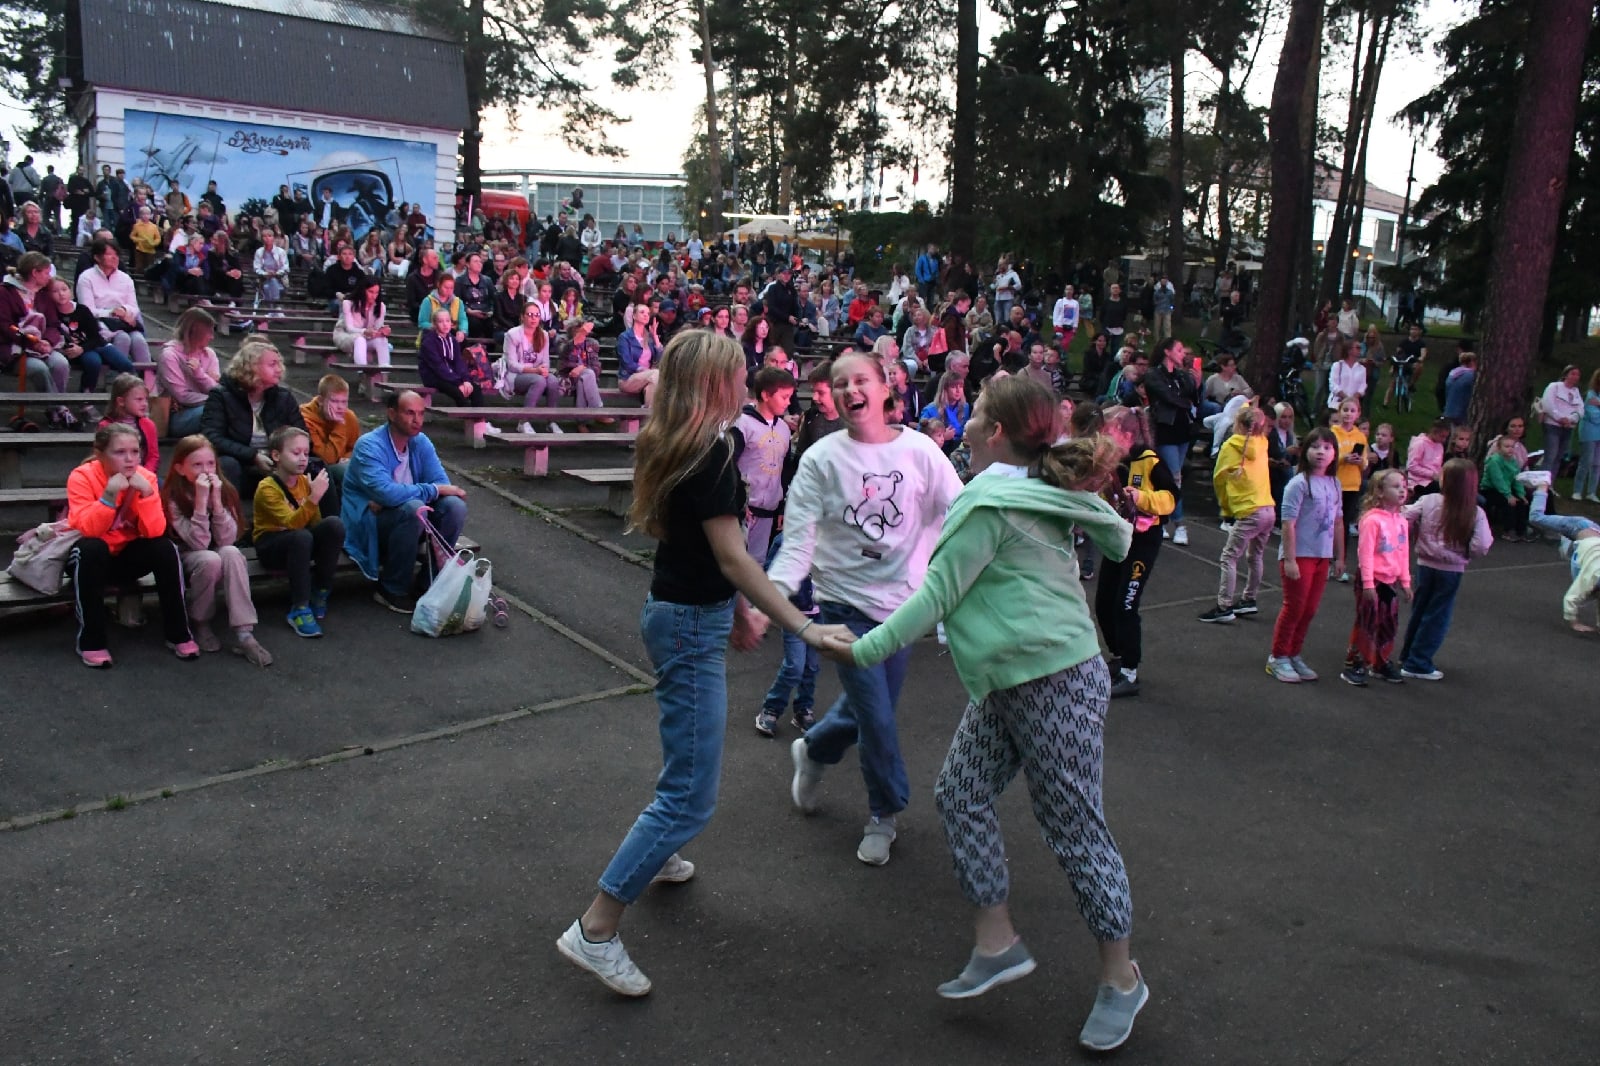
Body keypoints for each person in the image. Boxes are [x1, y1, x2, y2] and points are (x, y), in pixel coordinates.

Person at [823, 376, 1149, 1052]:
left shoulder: (1000, 501)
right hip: (1009, 680)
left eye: (973, 415)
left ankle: (1122, 979)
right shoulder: (1022, 491)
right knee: (960, 795)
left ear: (996, 433)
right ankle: (995, 939)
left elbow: (936, 594)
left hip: (1054, 679)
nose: (964, 424)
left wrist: (864, 648)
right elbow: (1112, 535)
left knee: (1075, 830)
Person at [555, 331, 851, 998]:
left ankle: (658, 859)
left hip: (681, 612)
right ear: (715, 384)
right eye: (739, 374)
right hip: (688, 624)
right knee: (691, 795)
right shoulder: (713, 452)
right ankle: (597, 928)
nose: (748, 384)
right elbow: (734, 556)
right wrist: (798, 622)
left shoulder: (678, 441)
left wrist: (739, 609)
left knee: (682, 760)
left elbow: (702, 552)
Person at [771, 353, 964, 866]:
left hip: (904, 610)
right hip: (843, 608)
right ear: (831, 398)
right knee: (877, 717)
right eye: (839, 384)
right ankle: (885, 812)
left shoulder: (922, 452)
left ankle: (814, 749)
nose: (848, 389)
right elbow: (797, 542)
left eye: (860, 380)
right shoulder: (821, 459)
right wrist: (767, 600)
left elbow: (964, 513)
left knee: (862, 712)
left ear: (884, 389)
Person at [66, 423, 199, 667]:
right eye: (120, 452)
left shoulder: (145, 478)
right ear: (100, 454)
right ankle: (91, 641)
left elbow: (155, 531)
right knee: (91, 548)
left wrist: (148, 494)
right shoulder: (81, 476)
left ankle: (178, 634)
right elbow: (89, 530)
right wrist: (108, 497)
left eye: (135, 452)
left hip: (125, 557)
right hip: (89, 558)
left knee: (164, 548)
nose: (130, 459)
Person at [341, 389, 468, 613]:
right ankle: (391, 588)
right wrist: (429, 491)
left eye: (421, 413)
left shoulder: (420, 442)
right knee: (414, 508)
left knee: (454, 507)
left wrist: (408, 493)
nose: (417, 420)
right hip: (371, 524)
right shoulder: (369, 445)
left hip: (407, 519)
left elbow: (441, 483)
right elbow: (388, 493)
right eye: (410, 413)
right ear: (391, 414)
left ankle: (430, 583)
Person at [162, 435, 272, 666]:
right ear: (180, 468)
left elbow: (227, 539)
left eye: (210, 464)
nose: (206, 470)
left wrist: (217, 504)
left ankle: (244, 633)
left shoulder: (224, 489)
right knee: (210, 558)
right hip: (186, 555)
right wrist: (201, 503)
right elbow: (198, 543)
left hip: (217, 551)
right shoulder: (173, 496)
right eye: (197, 465)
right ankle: (200, 620)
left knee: (231, 553)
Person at [1093, 405, 1176, 698]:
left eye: (1109, 431)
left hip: (1143, 542)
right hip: (1119, 539)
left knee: (1126, 605)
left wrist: (1143, 498)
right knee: (1103, 603)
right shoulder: (1114, 461)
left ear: (1126, 434)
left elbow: (1171, 499)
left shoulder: (1151, 462)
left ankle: (1130, 670)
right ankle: (1118, 655)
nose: (1104, 436)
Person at [1397, 458, 1492, 681]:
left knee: (1420, 610)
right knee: (1437, 615)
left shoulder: (1428, 501)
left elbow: (1403, 516)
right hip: (1452, 568)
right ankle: (1418, 663)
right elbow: (1482, 545)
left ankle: (1409, 654)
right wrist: (1465, 553)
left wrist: (1411, 538)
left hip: (1425, 564)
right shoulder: (1475, 513)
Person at [1266, 429, 1344, 683]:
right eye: (1316, 447)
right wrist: (1289, 559)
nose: (1321, 452)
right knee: (1295, 607)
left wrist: (1339, 556)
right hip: (1300, 554)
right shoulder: (1298, 484)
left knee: (1309, 609)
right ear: (1305, 450)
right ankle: (1278, 657)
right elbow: (1288, 523)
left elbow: (1339, 521)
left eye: (1327, 447)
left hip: (1322, 555)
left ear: (1334, 453)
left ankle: (1293, 652)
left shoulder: (1334, 483)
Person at [253, 426, 344, 638]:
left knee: (334, 525)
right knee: (301, 536)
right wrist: (313, 499)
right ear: (276, 456)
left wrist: (315, 499)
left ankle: (321, 589)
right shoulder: (267, 488)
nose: (303, 458)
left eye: (306, 452)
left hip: (299, 542)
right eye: (296, 453)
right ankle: (300, 607)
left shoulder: (304, 481)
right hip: (271, 546)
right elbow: (292, 524)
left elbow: (313, 523)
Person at [200, 339, 306, 505]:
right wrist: (252, 456)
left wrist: (282, 457)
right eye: (272, 364)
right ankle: (231, 521)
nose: (279, 370)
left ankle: (325, 525)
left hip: (277, 462)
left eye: (279, 364)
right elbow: (212, 437)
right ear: (252, 367)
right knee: (228, 464)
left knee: (316, 466)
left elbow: (302, 434)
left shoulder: (284, 397)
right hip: (241, 463)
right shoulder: (221, 395)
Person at [1199, 406, 1276, 623]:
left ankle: (1224, 605)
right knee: (1256, 555)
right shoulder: (1262, 443)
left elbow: (1219, 480)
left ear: (1238, 424)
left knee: (1229, 557)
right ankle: (1249, 599)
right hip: (1268, 508)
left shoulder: (1230, 447)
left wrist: (1226, 508)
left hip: (1249, 510)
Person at [1341, 469, 1413, 686]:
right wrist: (1368, 584)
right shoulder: (1372, 520)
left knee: (1388, 623)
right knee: (1367, 622)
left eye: (1404, 486)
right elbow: (1365, 554)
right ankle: (1355, 664)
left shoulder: (1401, 521)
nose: (1402, 490)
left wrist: (1406, 581)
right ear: (1380, 492)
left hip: (1390, 581)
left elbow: (1402, 552)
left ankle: (1380, 662)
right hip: (1372, 580)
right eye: (1395, 486)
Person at [733, 366, 796, 562]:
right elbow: (729, 463)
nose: (788, 402)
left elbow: (784, 471)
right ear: (766, 395)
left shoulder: (784, 429)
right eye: (784, 397)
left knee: (757, 562)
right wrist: (738, 501)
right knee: (736, 561)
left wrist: (781, 506)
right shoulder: (742, 424)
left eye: (790, 397)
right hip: (744, 509)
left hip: (768, 509)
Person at [1142, 337, 1200, 545]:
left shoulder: (1182, 376)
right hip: (1166, 429)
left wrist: (1196, 382)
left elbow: (1193, 397)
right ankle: (1179, 523)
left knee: (1172, 476)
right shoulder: (1153, 374)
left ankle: (1162, 517)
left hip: (1183, 430)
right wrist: (1183, 401)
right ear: (1167, 352)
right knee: (1173, 476)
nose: (1182, 354)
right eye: (1178, 350)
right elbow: (1168, 397)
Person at [1526, 486, 1600, 632]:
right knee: (1536, 517)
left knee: (1568, 554)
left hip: (1589, 537)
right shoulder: (1593, 575)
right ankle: (1542, 484)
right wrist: (1574, 623)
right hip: (1578, 527)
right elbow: (1570, 598)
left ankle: (1563, 542)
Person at [77, 239, 152, 366]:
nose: (114, 258)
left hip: (124, 321)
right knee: (123, 338)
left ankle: (147, 379)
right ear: (97, 257)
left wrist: (124, 311)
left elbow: (134, 306)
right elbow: (87, 310)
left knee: (138, 340)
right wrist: (112, 313)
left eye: (116, 254)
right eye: (109, 254)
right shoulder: (86, 277)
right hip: (99, 322)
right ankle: (115, 379)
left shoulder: (125, 278)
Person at [158, 308, 222, 437]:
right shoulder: (169, 355)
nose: (212, 337)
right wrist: (216, 399)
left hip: (207, 406)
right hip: (177, 414)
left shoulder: (210, 354)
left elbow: (217, 389)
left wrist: (199, 374)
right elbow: (182, 396)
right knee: (218, 410)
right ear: (194, 332)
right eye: (208, 332)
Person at [503, 308, 562, 434]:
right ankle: (523, 422)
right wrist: (535, 370)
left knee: (553, 381)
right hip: (516, 375)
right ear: (522, 316)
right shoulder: (512, 334)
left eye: (536, 315)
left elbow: (545, 361)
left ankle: (551, 422)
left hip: (537, 372)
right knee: (539, 381)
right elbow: (511, 365)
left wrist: (544, 370)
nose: (533, 318)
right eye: (530, 314)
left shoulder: (543, 335)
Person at [300, 374, 361, 491]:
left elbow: (356, 447)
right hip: (317, 469)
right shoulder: (305, 418)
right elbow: (327, 458)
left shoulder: (349, 416)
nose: (340, 407)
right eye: (334, 401)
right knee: (346, 471)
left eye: (344, 402)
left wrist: (347, 457)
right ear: (320, 400)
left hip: (343, 463)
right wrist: (339, 424)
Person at [419, 303, 484, 409]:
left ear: (451, 323)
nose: (445, 324)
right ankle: (469, 421)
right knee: (458, 393)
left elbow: (459, 362)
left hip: (452, 376)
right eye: (441, 321)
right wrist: (459, 383)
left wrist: (466, 380)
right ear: (435, 324)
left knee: (475, 389)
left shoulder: (452, 340)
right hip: (434, 376)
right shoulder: (428, 342)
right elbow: (438, 367)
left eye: (447, 321)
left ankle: (480, 422)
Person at [1330, 398, 1371, 547]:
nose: (1348, 414)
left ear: (1358, 414)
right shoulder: (1333, 433)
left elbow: (1365, 463)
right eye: (1345, 410)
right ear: (1339, 412)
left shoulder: (1360, 436)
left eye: (1352, 411)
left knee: (1345, 522)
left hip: (1352, 485)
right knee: (1331, 520)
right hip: (1335, 482)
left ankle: (1341, 558)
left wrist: (1359, 461)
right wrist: (1343, 458)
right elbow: (1329, 458)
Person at [99, 373, 160, 475]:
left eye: (146, 399)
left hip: (143, 474)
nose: (145, 404)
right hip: (114, 475)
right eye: (139, 399)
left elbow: (153, 456)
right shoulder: (105, 426)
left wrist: (145, 475)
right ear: (121, 401)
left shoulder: (149, 425)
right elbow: (103, 458)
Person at [334, 275, 392, 368]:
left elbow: (376, 329)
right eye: (370, 292)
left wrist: (382, 331)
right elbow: (349, 328)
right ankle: (362, 372)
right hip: (346, 335)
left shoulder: (381, 306)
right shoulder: (348, 303)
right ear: (363, 290)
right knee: (359, 339)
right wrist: (364, 331)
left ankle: (384, 370)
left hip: (367, 337)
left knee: (382, 340)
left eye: (376, 293)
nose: (374, 296)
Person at [1538, 365, 1583, 476]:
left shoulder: (1576, 391)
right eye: (1573, 373)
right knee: (1550, 456)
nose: (1575, 377)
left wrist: (1571, 419)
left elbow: (1580, 409)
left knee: (1559, 457)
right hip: (1553, 425)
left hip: (1568, 427)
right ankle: (1541, 484)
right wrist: (1560, 418)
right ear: (1565, 374)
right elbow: (1548, 404)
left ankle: (1551, 484)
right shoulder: (1554, 387)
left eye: (1577, 375)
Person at [618, 303, 664, 407]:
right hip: (628, 378)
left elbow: (660, 359)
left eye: (648, 313)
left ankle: (647, 413)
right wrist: (646, 371)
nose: (646, 315)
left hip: (649, 378)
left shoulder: (649, 338)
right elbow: (627, 362)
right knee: (656, 374)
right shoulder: (625, 337)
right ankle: (650, 417)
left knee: (652, 385)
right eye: (642, 312)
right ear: (634, 316)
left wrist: (655, 337)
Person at [1405, 419, 1450, 501]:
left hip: (1434, 479)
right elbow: (1411, 466)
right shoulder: (1420, 444)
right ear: (1434, 432)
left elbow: (1437, 466)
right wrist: (1432, 474)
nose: (1444, 440)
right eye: (1442, 436)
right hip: (1418, 481)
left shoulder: (1439, 446)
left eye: (1446, 437)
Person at [1575, 369, 1600, 502]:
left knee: (1597, 464)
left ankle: (1591, 492)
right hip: (1589, 433)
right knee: (1586, 462)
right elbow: (1594, 416)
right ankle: (1577, 490)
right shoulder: (1591, 395)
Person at [253, 230, 290, 305]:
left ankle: (273, 307)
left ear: (273, 238)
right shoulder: (259, 252)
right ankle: (275, 308)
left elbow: (285, 267)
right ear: (262, 238)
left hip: (280, 279)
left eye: (269, 236)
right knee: (269, 284)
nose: (267, 238)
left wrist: (275, 274)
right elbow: (257, 268)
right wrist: (266, 273)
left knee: (273, 281)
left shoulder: (281, 252)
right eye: (264, 236)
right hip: (263, 279)